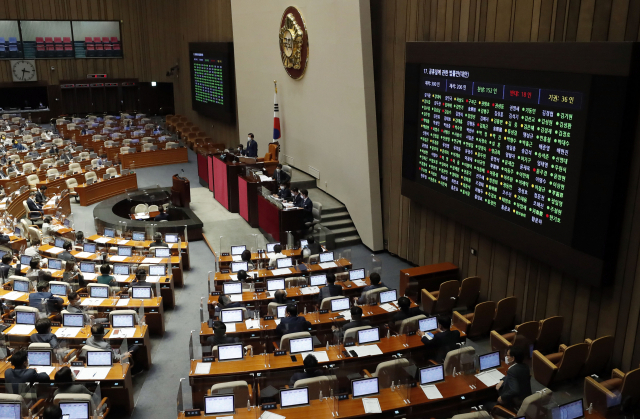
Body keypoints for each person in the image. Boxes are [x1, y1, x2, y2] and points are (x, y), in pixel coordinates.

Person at [485, 345, 532, 411]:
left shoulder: (512, 371)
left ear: (513, 358)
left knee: (486, 404)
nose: (506, 357)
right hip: (524, 397)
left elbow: (514, 390)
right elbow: (515, 375)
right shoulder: (525, 366)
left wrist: (502, 398)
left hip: (512, 402)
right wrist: (503, 380)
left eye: (507, 355)